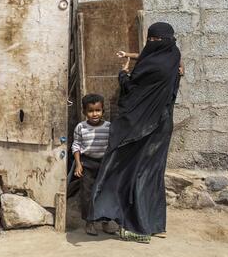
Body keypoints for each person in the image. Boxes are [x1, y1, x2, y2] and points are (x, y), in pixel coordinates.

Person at [89, 22, 182, 243]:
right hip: (162, 125)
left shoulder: (149, 68)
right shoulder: (173, 56)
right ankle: (154, 223)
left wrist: (123, 75)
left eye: (153, 40)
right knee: (152, 174)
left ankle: (137, 225)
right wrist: (130, 54)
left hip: (141, 129)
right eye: (149, 40)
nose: (151, 44)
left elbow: (132, 91)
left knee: (134, 172)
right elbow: (149, 55)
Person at [71, 93, 115, 236]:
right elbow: (76, 146)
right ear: (84, 112)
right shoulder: (81, 127)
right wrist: (78, 165)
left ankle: (105, 222)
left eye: (98, 110)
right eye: (90, 111)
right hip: (87, 163)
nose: (94, 114)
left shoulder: (109, 127)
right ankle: (89, 222)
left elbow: (112, 146)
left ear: (103, 111)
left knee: (105, 192)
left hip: (104, 163)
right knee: (87, 194)